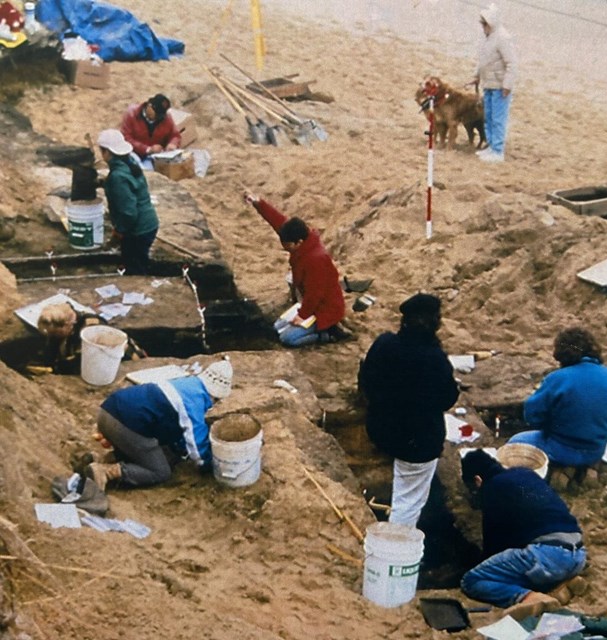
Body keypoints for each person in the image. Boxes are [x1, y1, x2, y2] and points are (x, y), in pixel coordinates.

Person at [359, 293, 459, 527]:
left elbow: (366, 381)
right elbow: (448, 399)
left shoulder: (384, 343)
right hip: (416, 445)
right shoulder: (435, 359)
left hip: (380, 430)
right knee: (409, 501)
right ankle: (397, 538)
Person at [460, 449, 587, 617]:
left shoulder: (491, 488)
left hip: (547, 556)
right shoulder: (525, 474)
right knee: (523, 567)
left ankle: (529, 597)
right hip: (577, 555)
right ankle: (560, 586)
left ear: (478, 480)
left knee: (472, 580)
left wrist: (482, 565)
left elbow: (494, 544)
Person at [86, 359, 233, 491]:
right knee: (160, 472)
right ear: (215, 395)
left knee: (161, 452)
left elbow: (175, 427)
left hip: (107, 411)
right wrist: (207, 464)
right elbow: (196, 441)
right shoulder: (194, 400)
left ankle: (103, 459)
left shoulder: (184, 383)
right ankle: (107, 471)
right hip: (124, 424)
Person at [508, 327, 607, 467]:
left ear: (561, 352)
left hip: (560, 449)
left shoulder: (557, 378)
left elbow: (532, 416)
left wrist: (552, 426)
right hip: (595, 451)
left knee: (516, 441)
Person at [243, 191, 348, 347]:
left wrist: (302, 316)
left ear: (298, 242)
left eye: (288, 245)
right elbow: (279, 222)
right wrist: (258, 203)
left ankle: (328, 334)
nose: (285, 248)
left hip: (324, 310)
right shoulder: (302, 240)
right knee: (277, 328)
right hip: (309, 303)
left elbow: (315, 293)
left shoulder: (316, 259)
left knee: (288, 338)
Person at [97, 129, 160, 275]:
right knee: (139, 262)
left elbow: (128, 213)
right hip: (149, 224)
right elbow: (131, 186)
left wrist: (118, 232)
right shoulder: (130, 163)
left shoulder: (117, 177)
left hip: (139, 230)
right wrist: (104, 183)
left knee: (134, 270)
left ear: (107, 152)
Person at [34, 301, 144, 375]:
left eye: (55, 333)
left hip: (123, 362)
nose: (52, 336)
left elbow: (82, 362)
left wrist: (54, 369)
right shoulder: (65, 325)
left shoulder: (92, 329)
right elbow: (52, 344)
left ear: (67, 325)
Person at [472, 3, 517, 163]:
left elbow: (511, 64)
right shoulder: (488, 38)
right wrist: (476, 76)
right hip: (488, 84)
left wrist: (507, 85)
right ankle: (490, 146)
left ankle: (498, 151)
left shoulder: (503, 38)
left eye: (484, 23)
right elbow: (483, 60)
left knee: (498, 119)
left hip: (499, 86)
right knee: (488, 117)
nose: (482, 26)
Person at [120, 93, 181, 161]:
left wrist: (172, 144)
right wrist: (147, 149)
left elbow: (175, 135)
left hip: (156, 157)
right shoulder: (132, 113)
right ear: (149, 106)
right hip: (134, 155)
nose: (158, 117)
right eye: (156, 113)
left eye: (160, 114)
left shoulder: (166, 118)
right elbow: (126, 138)